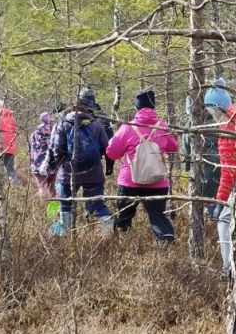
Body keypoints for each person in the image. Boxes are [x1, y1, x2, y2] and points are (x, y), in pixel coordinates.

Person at [106, 89, 180, 244]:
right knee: (158, 217)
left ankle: (119, 249)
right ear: (153, 106)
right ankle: (166, 250)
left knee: (123, 217)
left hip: (129, 181)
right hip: (158, 181)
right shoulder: (162, 126)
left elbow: (112, 153)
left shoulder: (127, 128)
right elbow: (174, 147)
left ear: (136, 107)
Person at [47, 98, 113, 233]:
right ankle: (107, 232)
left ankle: (64, 235)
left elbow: (57, 148)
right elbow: (107, 147)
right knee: (97, 205)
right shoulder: (96, 124)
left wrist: (60, 165)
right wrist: (105, 163)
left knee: (65, 205)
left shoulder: (62, 124)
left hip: (67, 172)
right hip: (93, 170)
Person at [204, 82, 236, 273]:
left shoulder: (227, 125)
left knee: (224, 223)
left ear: (216, 107)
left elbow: (228, 169)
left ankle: (228, 267)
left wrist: (220, 201)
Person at [29, 108, 59, 201]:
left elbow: (29, 149)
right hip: (51, 163)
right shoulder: (53, 132)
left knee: (42, 187)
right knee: (52, 187)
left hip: (37, 164)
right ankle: (53, 207)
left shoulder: (34, 134)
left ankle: (42, 207)